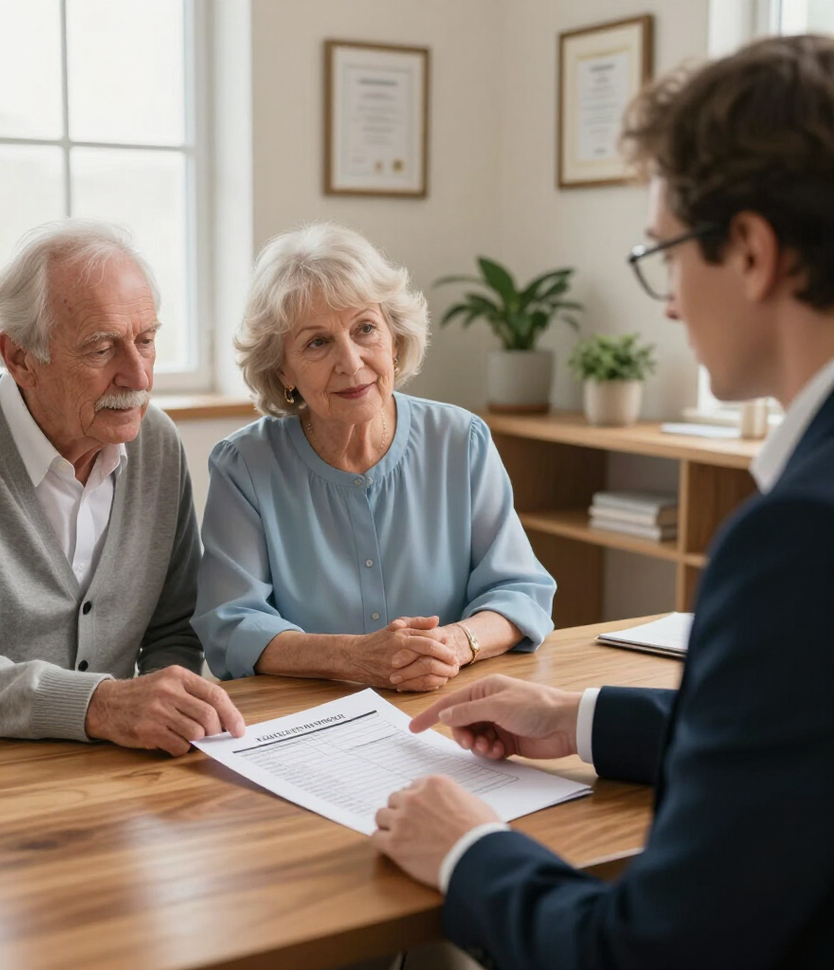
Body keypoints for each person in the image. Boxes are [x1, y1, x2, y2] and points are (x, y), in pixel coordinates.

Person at [372, 34, 834, 970]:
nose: (665, 302)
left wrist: (466, 850)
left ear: (750, 250)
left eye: (664, 252)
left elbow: (651, 954)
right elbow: (801, 743)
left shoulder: (799, 535)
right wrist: (578, 720)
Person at [0, 220, 244, 754]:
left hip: (99, 771)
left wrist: (167, 717)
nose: (138, 376)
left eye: (146, 340)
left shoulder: (156, 442)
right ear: (20, 358)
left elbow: (173, 629)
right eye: (101, 348)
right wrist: (101, 707)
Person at [194, 223, 555, 691]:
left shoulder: (460, 439)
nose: (351, 361)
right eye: (317, 342)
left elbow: (520, 592)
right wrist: (352, 657)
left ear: (394, 337)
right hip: (306, 718)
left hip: (447, 703)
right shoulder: (245, 464)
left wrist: (454, 643)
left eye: (365, 328)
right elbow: (231, 625)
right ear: (283, 369)